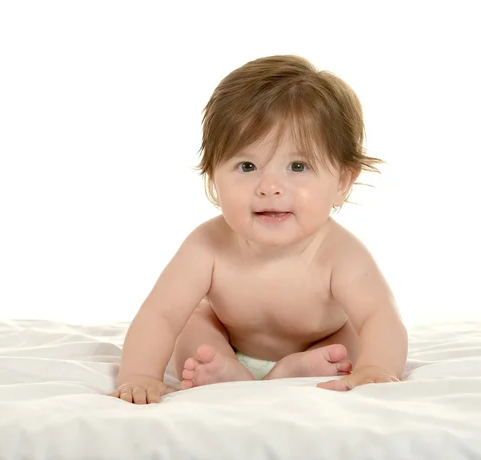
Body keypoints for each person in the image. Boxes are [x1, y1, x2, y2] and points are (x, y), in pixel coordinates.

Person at [109, 55, 408, 404]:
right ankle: (227, 371)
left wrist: (376, 367)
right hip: (230, 341)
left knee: (353, 340)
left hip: (321, 343)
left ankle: (296, 369)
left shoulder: (340, 254)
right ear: (213, 179)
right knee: (193, 326)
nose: (269, 187)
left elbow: (380, 315)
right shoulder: (206, 246)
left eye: (298, 166)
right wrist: (140, 375)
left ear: (342, 181)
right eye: (247, 165)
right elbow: (160, 314)